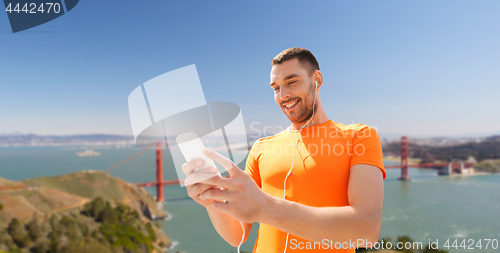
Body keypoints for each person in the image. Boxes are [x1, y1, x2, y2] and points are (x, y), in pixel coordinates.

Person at [182, 47, 386, 253]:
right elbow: (237, 236)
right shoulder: (261, 148)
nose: (283, 95)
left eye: (291, 82)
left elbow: (366, 230)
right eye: (275, 88)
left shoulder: (360, 137)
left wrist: (266, 209)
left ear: (317, 79)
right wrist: (211, 200)